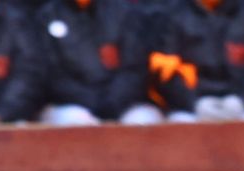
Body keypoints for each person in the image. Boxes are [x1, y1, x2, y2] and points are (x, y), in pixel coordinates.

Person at [150, 0, 244, 123]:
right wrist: (193, 103)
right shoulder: (174, 15)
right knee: (178, 124)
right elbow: (162, 73)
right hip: (192, 108)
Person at [32, 0, 162, 126]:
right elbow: (51, 74)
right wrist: (91, 100)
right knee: (77, 122)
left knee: (144, 121)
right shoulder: (47, 15)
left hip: (124, 103)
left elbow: (136, 67)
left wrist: (112, 101)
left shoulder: (125, 11)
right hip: (70, 105)